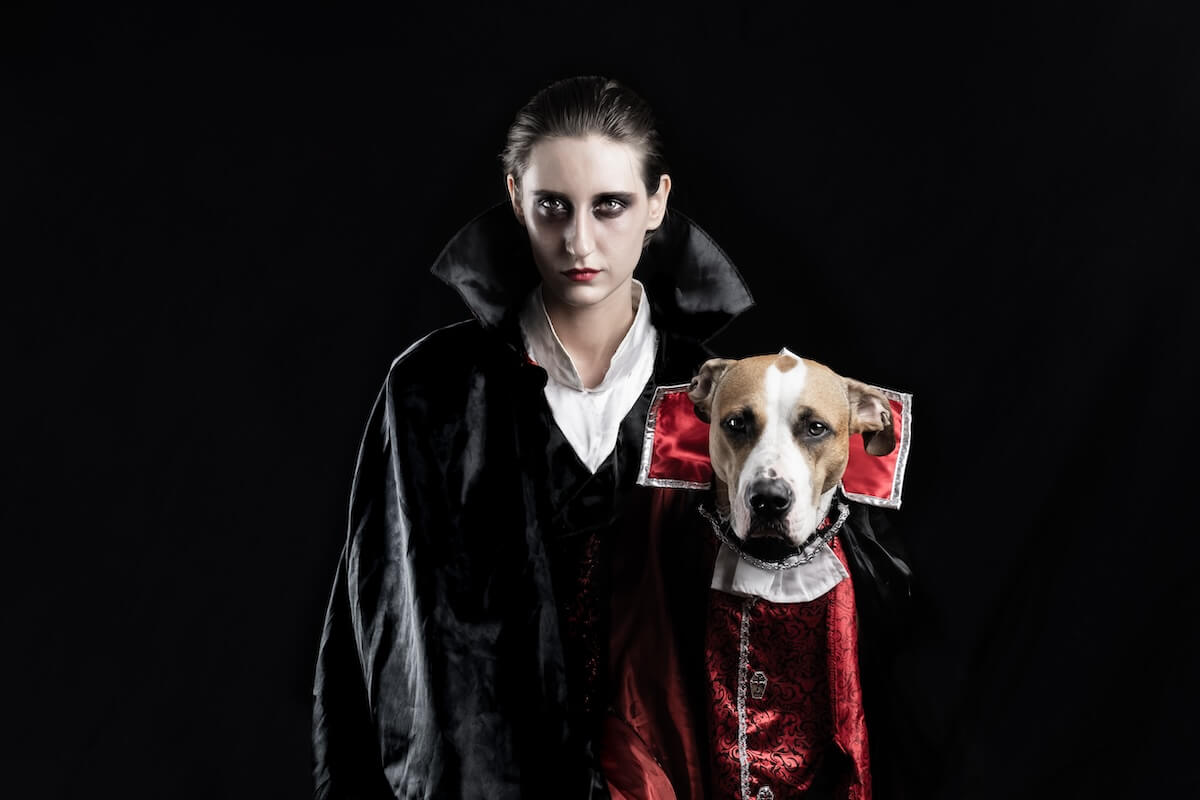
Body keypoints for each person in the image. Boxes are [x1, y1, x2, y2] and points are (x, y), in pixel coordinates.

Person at [311, 75, 916, 800]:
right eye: (552, 208)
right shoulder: (432, 393)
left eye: (610, 206)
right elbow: (368, 628)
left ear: (656, 202)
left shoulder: (722, 403)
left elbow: (820, 646)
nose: (579, 241)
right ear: (514, 200)